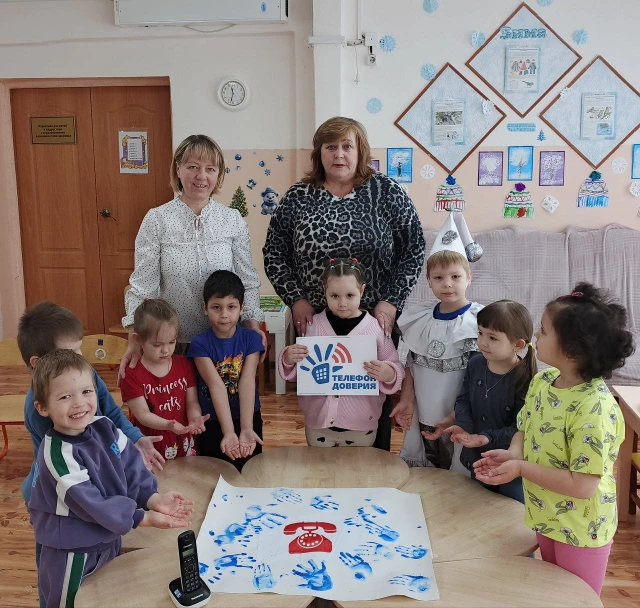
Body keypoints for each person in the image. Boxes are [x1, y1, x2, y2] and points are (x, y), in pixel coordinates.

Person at [263, 116, 426, 450]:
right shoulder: (298, 196)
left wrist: (391, 300)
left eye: (347, 146)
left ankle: (372, 470)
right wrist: (296, 299)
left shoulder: (386, 191)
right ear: (319, 152)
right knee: (323, 403)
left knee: (371, 397)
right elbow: (274, 253)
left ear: (360, 151)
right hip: (316, 320)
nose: (339, 154)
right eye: (331, 146)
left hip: (373, 320)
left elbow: (414, 248)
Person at [475, 283, 635, 595]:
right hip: (544, 512)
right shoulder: (543, 381)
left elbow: (582, 485)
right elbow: (525, 427)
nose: (536, 334)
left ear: (572, 351)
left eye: (544, 330)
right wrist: (514, 453)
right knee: (550, 593)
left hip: (581, 528)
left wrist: (521, 468)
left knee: (575, 599)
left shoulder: (594, 409)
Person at [28, 349, 193, 608]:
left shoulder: (104, 425)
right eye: (65, 397)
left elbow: (131, 467)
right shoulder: (57, 454)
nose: (79, 403)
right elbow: (92, 504)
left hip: (109, 538)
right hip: (73, 553)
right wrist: (143, 518)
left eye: (86, 391)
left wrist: (152, 498)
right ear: (42, 407)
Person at [120, 134, 265, 379]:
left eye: (210, 169)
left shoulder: (232, 220)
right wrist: (134, 339)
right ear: (178, 169)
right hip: (171, 343)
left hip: (224, 342)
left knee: (222, 402)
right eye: (193, 167)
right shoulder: (157, 219)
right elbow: (143, 287)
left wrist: (252, 325)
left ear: (218, 175)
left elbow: (246, 280)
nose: (201, 176)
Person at [278, 258, 404, 447]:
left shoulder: (376, 329)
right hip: (318, 426)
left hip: (362, 427)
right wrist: (288, 358)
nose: (342, 303)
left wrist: (390, 373)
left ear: (362, 290)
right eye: (335, 296)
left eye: (350, 295)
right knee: (320, 465)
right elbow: (302, 373)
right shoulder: (313, 326)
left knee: (359, 466)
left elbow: (397, 367)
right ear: (325, 292)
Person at [395, 211, 484, 472]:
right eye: (438, 278)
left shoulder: (480, 321)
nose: (447, 284)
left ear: (469, 277)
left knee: (458, 472)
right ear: (429, 281)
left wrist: (460, 415)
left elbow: (482, 377)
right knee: (427, 470)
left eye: (455, 277)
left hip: (460, 414)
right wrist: (407, 400)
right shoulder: (419, 319)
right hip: (424, 410)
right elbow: (411, 366)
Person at [441, 300, 537, 502]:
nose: (482, 342)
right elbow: (464, 400)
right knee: (477, 505)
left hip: (508, 462)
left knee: (508, 510)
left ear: (518, 345)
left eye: (492, 338)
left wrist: (486, 437)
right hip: (477, 457)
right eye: (480, 333)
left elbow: (522, 427)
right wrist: (464, 425)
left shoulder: (526, 378)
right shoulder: (476, 363)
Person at [187, 270, 264, 469]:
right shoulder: (199, 344)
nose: (224, 315)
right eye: (216, 307)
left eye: (231, 307)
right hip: (213, 421)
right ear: (205, 308)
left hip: (248, 416)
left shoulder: (251, 339)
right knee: (214, 473)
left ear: (242, 307)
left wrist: (246, 428)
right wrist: (228, 432)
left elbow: (247, 381)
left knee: (251, 470)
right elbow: (216, 385)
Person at [119, 299, 210, 461]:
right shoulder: (131, 374)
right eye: (157, 345)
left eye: (172, 342)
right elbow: (142, 414)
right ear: (138, 339)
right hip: (151, 443)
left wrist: (194, 417)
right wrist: (168, 425)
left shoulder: (184, 364)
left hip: (182, 440)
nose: (166, 350)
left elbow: (191, 401)